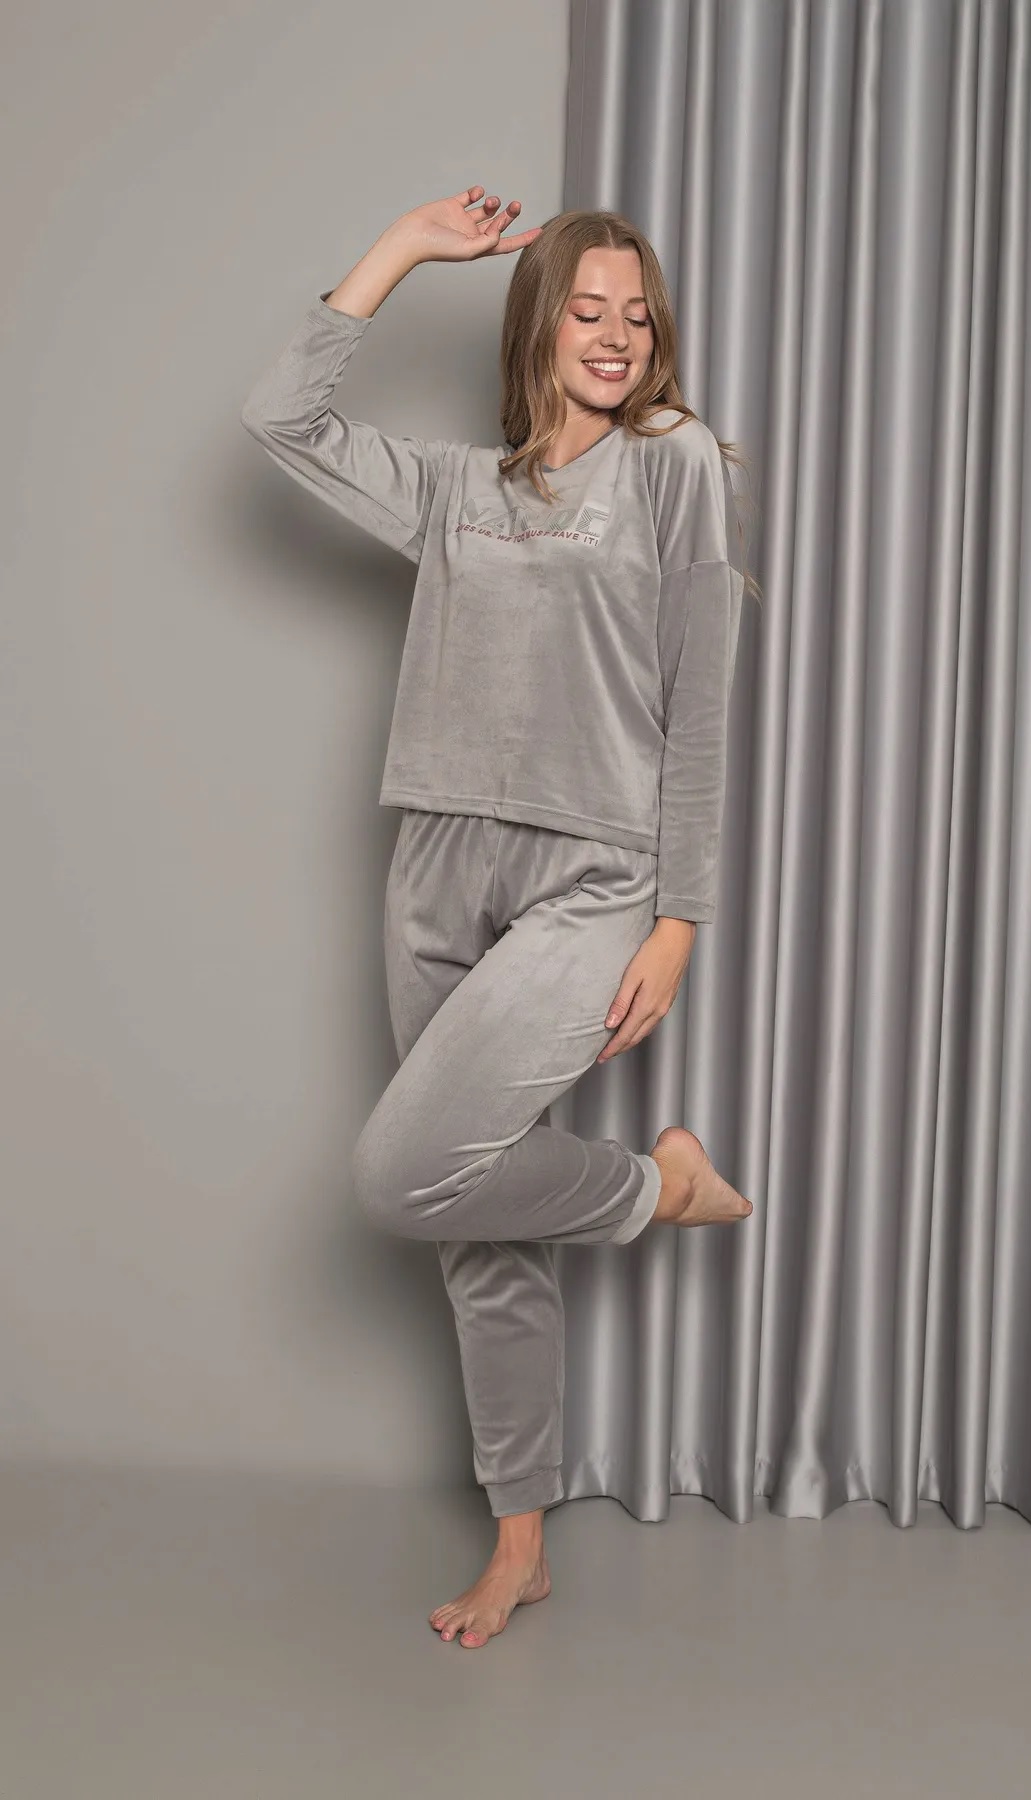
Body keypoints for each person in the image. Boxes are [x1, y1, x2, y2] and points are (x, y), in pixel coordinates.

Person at [240, 185, 756, 1649]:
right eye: (586, 309)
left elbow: (702, 701)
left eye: (635, 313)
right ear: (539, 324)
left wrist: (678, 920)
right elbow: (280, 419)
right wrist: (406, 250)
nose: (614, 334)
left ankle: (659, 1191)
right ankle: (520, 1544)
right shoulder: (457, 489)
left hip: (593, 873)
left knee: (407, 1174)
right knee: (474, 1221)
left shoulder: (671, 463)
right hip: (434, 865)